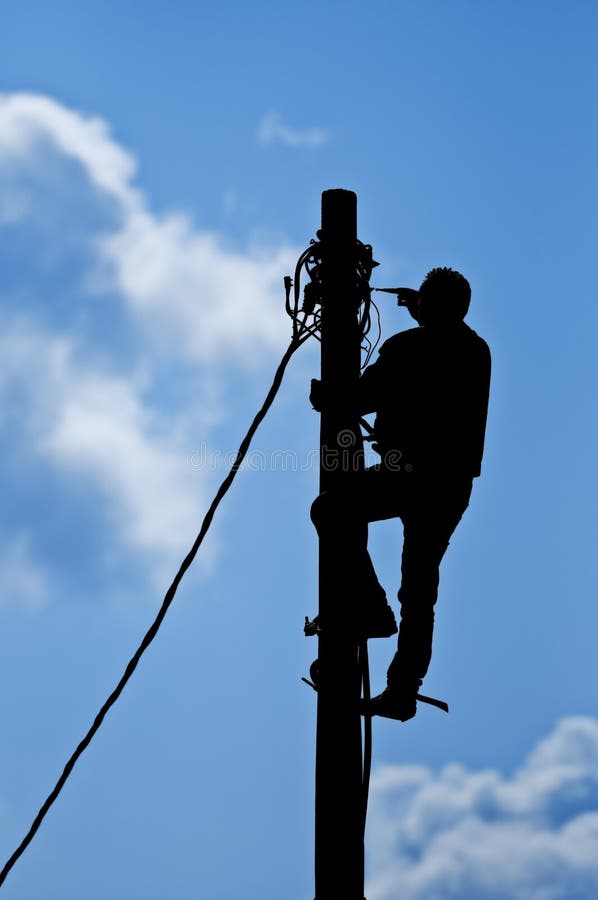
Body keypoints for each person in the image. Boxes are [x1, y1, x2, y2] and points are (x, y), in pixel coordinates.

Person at [309, 267, 491, 721]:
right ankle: (402, 690)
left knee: (332, 509)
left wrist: (325, 395)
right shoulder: (476, 350)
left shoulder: (407, 348)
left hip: (409, 472)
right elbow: (438, 350)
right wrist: (423, 311)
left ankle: (371, 607)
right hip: (450, 486)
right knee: (420, 589)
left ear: (429, 306)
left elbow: (357, 398)